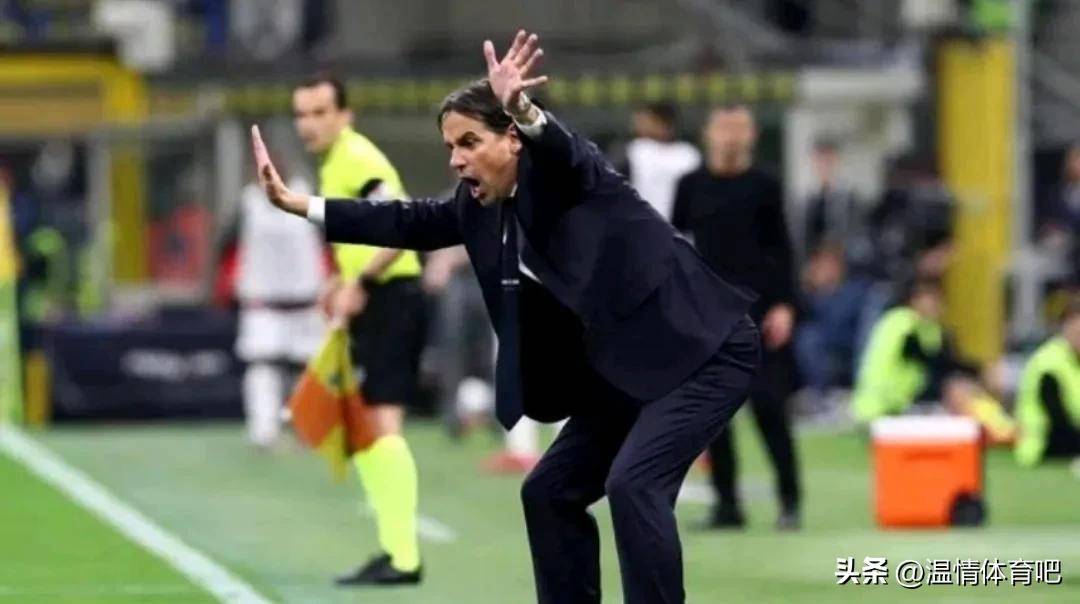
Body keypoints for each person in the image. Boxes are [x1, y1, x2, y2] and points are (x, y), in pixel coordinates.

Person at [253, 30, 761, 604]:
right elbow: (405, 221)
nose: (456, 159)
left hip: (703, 351)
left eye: (469, 142)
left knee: (634, 485)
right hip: (626, 370)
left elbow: (565, 150)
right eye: (451, 146)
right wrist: (301, 206)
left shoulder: (571, 177)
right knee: (548, 492)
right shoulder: (476, 206)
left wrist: (523, 108)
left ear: (513, 140)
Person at [291, 74, 426, 586]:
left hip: (392, 296)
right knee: (370, 428)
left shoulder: (357, 158)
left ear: (344, 115)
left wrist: (362, 282)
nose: (308, 123)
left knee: (383, 425)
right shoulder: (336, 162)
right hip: (379, 298)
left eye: (320, 112)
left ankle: (403, 558)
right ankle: (394, 551)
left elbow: (400, 225)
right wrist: (339, 280)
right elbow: (365, 234)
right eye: (301, 114)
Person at [672, 105, 802, 530]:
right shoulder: (690, 186)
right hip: (709, 314)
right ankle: (727, 505)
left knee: (769, 407)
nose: (731, 136)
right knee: (713, 417)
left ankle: (790, 501)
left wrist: (785, 305)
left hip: (760, 313)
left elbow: (783, 248)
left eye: (739, 128)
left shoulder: (764, 185)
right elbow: (675, 245)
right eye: (723, 128)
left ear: (751, 135)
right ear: (707, 133)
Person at [233, 172, 326, 448]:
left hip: (305, 301)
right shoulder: (248, 203)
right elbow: (226, 244)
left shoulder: (309, 196)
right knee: (263, 366)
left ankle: (306, 428)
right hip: (263, 304)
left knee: (307, 369)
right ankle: (264, 431)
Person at [1015, 296, 1080, 466]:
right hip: (1043, 447)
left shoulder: (1075, 360)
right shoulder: (1048, 364)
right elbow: (1058, 421)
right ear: (1065, 327)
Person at [620, 102, 700, 222]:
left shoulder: (689, 154)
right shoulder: (635, 150)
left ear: (664, 123)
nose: (638, 128)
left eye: (645, 123)